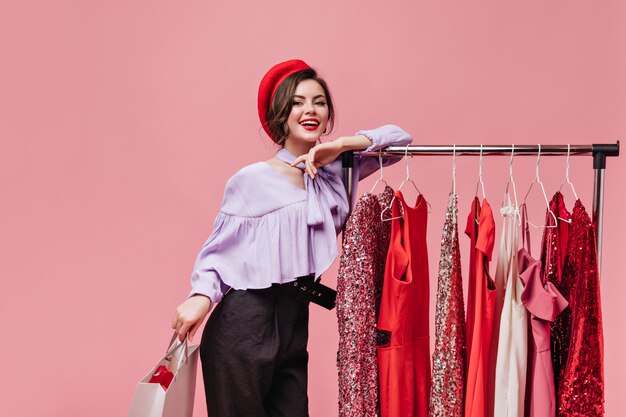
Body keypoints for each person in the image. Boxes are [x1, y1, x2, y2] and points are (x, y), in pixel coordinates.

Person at [170, 59, 412, 417]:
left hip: (295, 321)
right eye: (297, 102)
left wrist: (342, 145)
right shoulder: (252, 180)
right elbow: (219, 252)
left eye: (319, 101)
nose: (309, 110)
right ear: (280, 115)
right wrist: (201, 297)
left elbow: (401, 139)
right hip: (245, 323)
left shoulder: (339, 171)